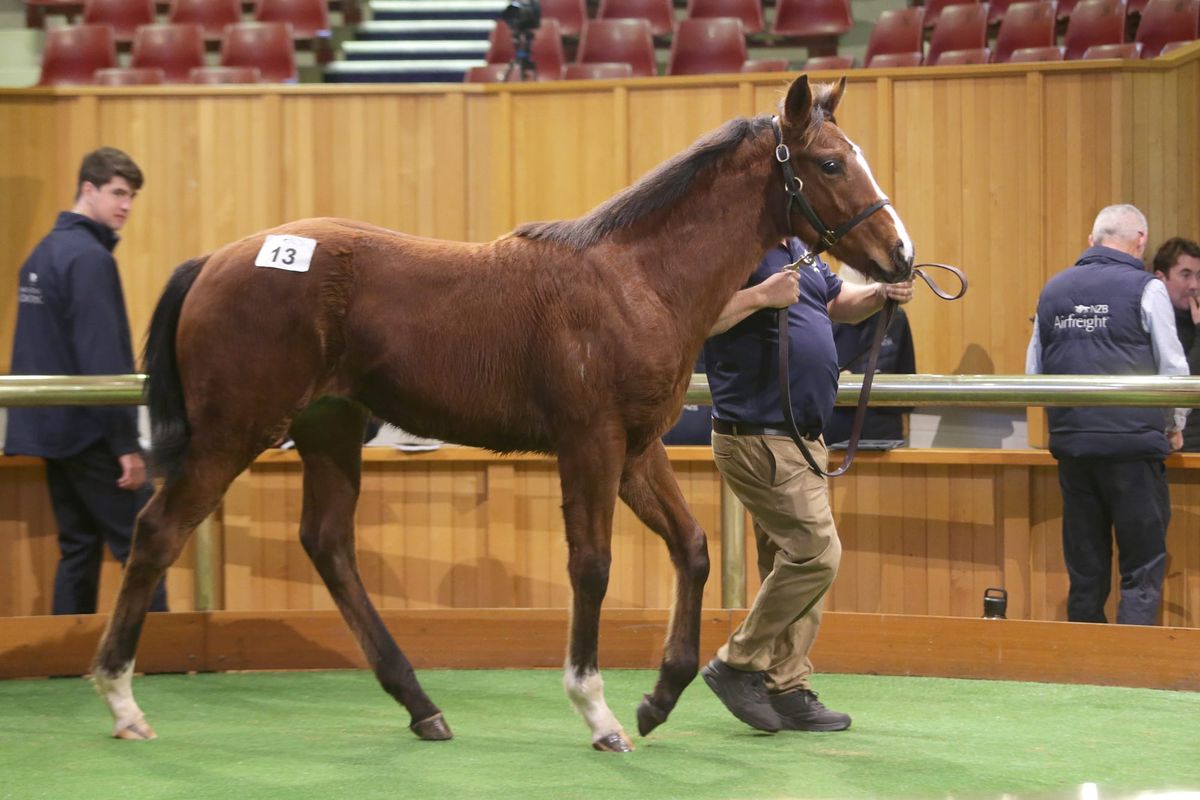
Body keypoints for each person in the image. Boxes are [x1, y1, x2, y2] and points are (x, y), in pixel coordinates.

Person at [699, 236, 912, 733]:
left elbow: (837, 301)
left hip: (802, 439)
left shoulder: (800, 247)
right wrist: (758, 296)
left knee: (789, 561)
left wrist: (880, 293)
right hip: (759, 436)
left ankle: (787, 686)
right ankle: (738, 661)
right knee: (817, 555)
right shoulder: (730, 250)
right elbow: (691, 321)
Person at [4, 147, 167, 615]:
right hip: (91, 434)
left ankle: (63, 665)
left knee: (77, 548)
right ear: (88, 189)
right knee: (146, 544)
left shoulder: (43, 252)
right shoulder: (89, 259)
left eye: (132, 195)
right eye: (118, 192)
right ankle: (160, 662)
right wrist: (124, 445)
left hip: (52, 431)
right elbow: (102, 359)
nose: (126, 206)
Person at [1025, 204, 1189, 626]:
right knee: (1142, 566)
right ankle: (1131, 667)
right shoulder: (1146, 288)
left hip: (1074, 450)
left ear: (1090, 240)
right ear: (1140, 242)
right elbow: (1174, 371)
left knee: (1086, 567)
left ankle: (1084, 664)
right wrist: (1174, 426)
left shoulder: (1053, 289)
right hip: (1134, 449)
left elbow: (1032, 374)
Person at [824, 267, 916, 445]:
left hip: (882, 436)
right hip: (831, 434)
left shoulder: (895, 319)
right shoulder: (820, 320)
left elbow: (907, 389)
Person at [1151, 236, 1200, 452]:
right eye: (1185, 275)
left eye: (1199, 276)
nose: (1194, 286)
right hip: (1175, 445)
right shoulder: (1152, 324)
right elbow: (1184, 383)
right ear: (1161, 279)